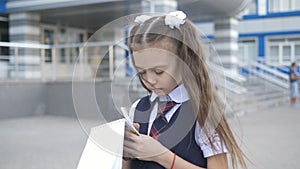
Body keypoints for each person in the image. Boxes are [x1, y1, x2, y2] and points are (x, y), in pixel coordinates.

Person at [123, 11, 248, 169]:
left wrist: (162, 156)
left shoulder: (204, 113)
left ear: (183, 61)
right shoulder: (138, 108)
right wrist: (127, 151)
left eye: (159, 71)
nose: (150, 80)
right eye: (141, 72)